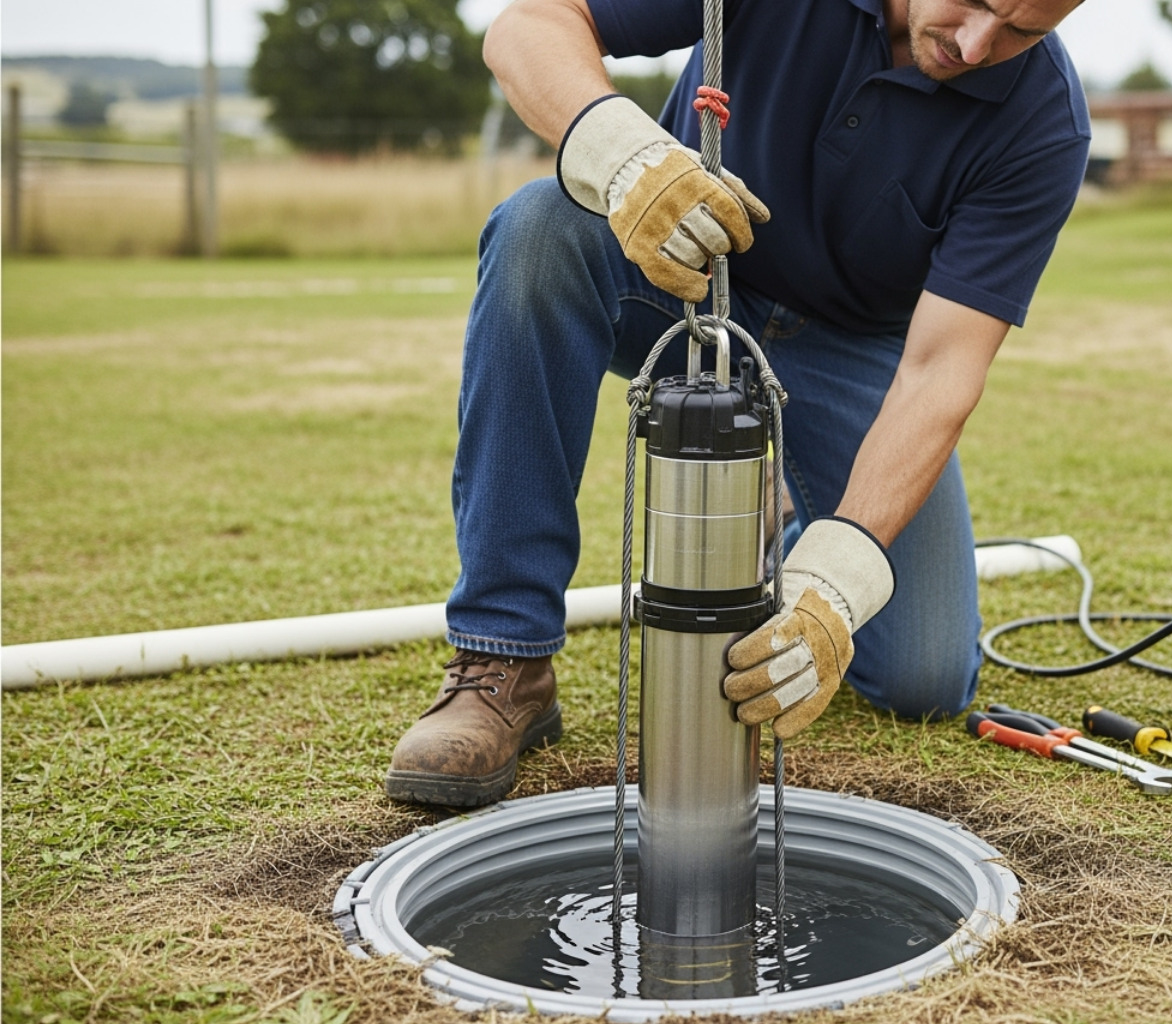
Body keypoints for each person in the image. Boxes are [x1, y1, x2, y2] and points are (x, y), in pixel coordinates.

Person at [384, 0, 1091, 807]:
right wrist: (624, 158)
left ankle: (795, 543)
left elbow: (939, 371)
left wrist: (837, 579)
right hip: (685, 278)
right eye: (978, 3)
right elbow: (529, 26)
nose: (975, 45)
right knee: (538, 230)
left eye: (1021, 32)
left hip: (850, 351)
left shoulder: (1044, 124)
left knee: (926, 676)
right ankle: (504, 656)